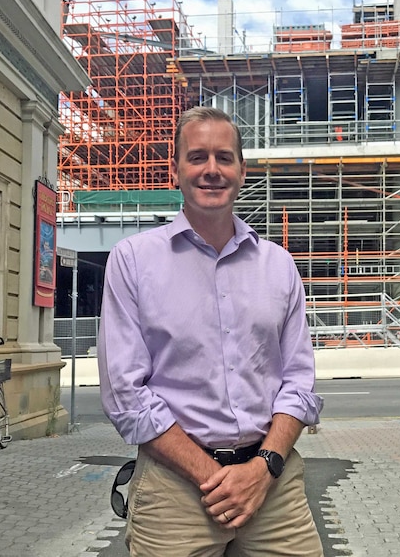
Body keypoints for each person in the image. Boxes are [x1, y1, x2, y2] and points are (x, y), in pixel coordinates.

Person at [98, 106, 324, 556]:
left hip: (271, 484)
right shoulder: (133, 261)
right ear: (175, 169)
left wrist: (261, 470)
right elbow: (126, 394)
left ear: (242, 169)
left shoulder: (278, 266)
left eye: (224, 157)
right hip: (174, 490)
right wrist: (216, 478)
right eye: (197, 157)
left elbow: (298, 382)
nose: (211, 170)